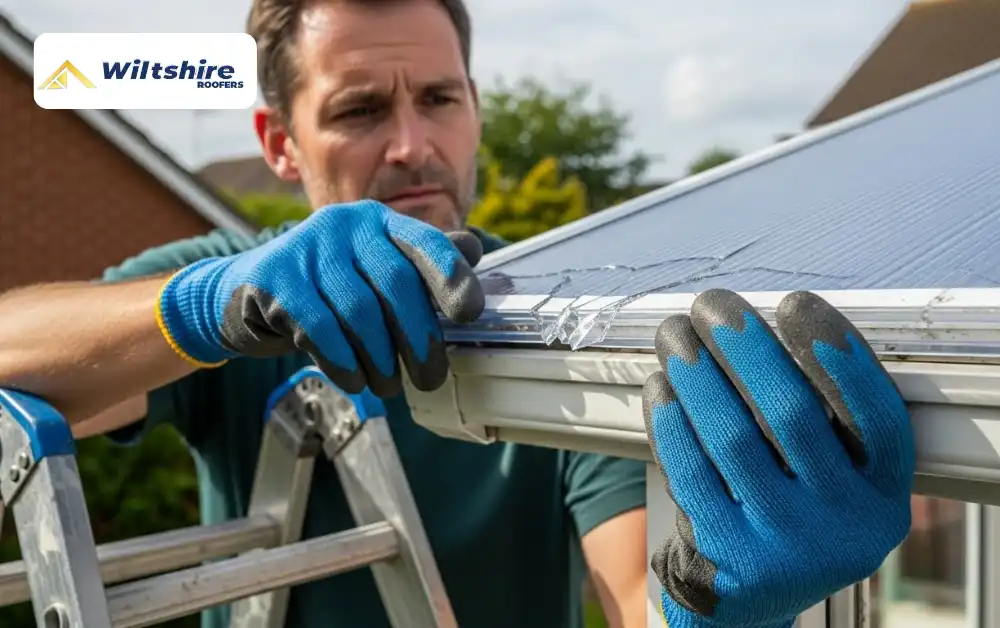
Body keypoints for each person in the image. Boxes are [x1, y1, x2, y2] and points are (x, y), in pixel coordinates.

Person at [0, 0, 916, 627]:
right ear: (279, 142)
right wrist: (207, 307)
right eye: (360, 110)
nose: (412, 145)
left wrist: (720, 605)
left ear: (474, 108)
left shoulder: (563, 321)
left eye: (438, 99)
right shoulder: (238, 289)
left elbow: (638, 595)